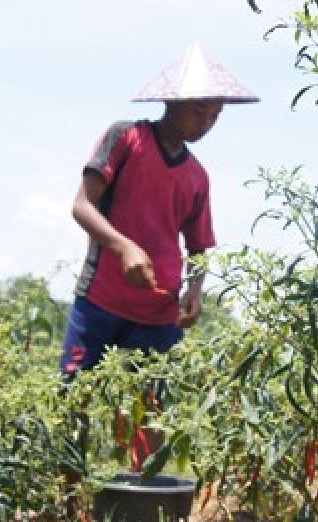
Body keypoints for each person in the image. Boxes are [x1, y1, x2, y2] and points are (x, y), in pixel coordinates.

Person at [59, 42, 259, 382]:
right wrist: (124, 247)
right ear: (171, 101)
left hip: (159, 316)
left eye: (214, 116)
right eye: (198, 111)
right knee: (74, 400)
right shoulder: (126, 138)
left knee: (148, 419)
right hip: (100, 300)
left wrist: (194, 291)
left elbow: (198, 249)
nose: (206, 123)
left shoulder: (197, 177)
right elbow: (82, 206)